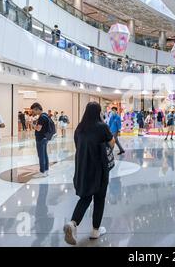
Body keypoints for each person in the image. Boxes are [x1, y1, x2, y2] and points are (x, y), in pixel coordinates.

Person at [64, 102, 115, 245]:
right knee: (99, 198)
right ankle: (95, 230)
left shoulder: (79, 128)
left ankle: (73, 223)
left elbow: (78, 146)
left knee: (85, 197)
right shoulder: (102, 127)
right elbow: (111, 144)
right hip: (99, 167)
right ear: (99, 112)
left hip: (83, 167)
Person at [31, 103, 51, 178]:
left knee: (41, 155)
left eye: (34, 111)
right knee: (45, 154)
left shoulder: (42, 117)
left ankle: (42, 171)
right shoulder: (45, 115)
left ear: (37, 109)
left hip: (41, 138)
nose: (33, 112)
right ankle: (46, 170)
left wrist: (32, 125)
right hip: (45, 138)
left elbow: (38, 128)